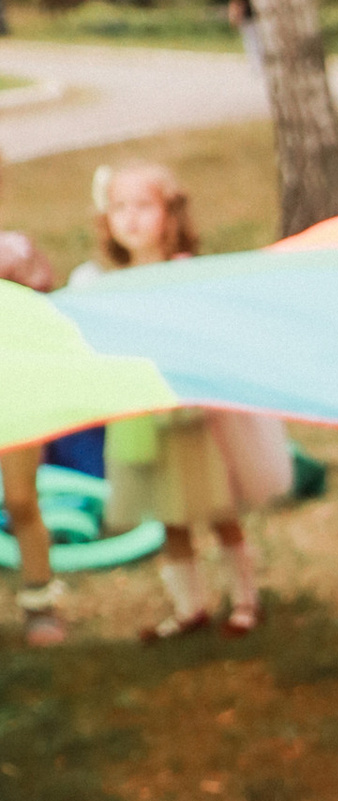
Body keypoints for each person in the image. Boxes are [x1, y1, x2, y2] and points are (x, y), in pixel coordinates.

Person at [84, 162, 291, 636]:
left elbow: (202, 337)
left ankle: (244, 601)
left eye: (143, 206)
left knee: (217, 508)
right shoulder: (107, 283)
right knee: (169, 516)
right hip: (142, 416)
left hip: (190, 413)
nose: (130, 218)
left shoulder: (184, 275)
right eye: (119, 207)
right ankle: (189, 608)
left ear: (169, 214)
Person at [1, 218, 69, 650]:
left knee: (22, 499)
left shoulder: (14, 252)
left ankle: (40, 600)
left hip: (15, 390)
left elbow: (47, 315)